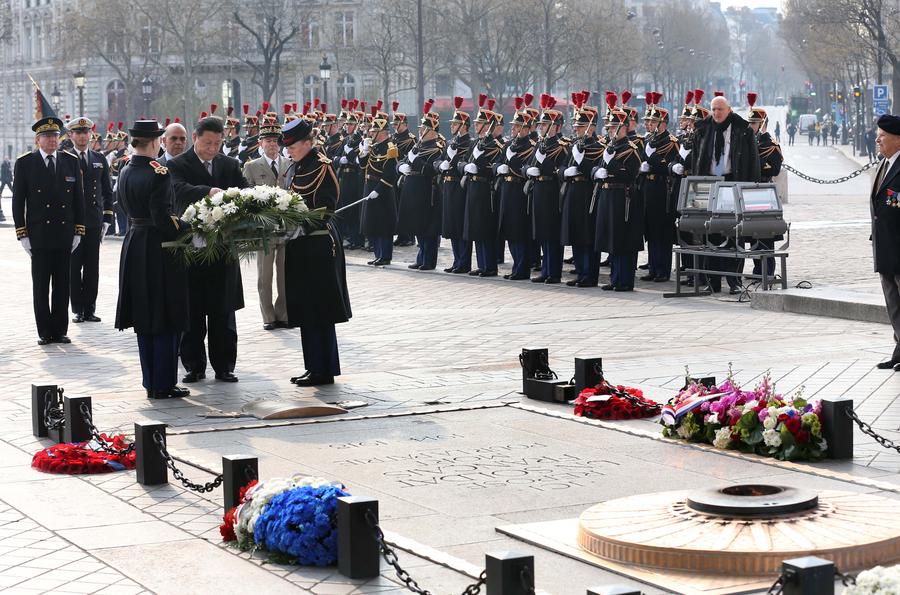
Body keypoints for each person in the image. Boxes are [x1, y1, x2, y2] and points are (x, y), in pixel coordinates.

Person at [114, 120, 192, 399]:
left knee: (145, 316)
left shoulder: (125, 170)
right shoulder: (159, 173)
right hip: (159, 247)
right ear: (154, 142)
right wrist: (189, 226)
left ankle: (151, 381)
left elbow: (122, 206)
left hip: (134, 242)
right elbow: (163, 218)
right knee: (165, 314)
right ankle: (164, 383)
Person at [168, 116, 248, 383]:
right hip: (192, 248)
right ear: (195, 138)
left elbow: (244, 193)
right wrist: (208, 191)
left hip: (223, 248)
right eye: (207, 143)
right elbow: (178, 191)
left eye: (217, 143)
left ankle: (225, 365)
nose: (212, 149)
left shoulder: (230, 165)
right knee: (192, 310)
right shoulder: (177, 164)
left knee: (222, 311)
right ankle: (194, 365)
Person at [281, 118, 352, 387]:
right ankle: (313, 366)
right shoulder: (297, 166)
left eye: (293, 145)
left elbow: (327, 206)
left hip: (319, 244)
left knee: (320, 309)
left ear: (308, 143)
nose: (289, 150)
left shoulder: (321, 166)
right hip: (301, 245)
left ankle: (324, 369)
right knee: (305, 308)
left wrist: (302, 225)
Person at [13, 116, 86, 344]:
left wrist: (78, 230)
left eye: (55, 136)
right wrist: (22, 233)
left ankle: (60, 330)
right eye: (47, 136)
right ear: (38, 140)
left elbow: (78, 199)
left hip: (64, 234)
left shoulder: (70, 161)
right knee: (41, 286)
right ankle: (44, 331)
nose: (52, 140)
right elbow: (18, 201)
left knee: (63, 285)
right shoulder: (25, 163)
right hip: (39, 236)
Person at [693, 94, 760, 294]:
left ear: (729, 110)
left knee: (734, 234)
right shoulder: (703, 130)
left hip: (733, 183)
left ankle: (734, 281)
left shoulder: (743, 130)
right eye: (713, 109)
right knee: (710, 233)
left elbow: (753, 162)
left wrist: (749, 190)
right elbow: (696, 160)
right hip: (710, 184)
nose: (716, 113)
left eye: (720, 109)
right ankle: (712, 281)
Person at [243, 116, 291, 330]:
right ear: (260, 143)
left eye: (275, 140)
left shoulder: (289, 164)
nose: (272, 144)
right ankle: (268, 316)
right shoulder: (252, 166)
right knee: (265, 275)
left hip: (287, 226)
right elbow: (246, 198)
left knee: (285, 273)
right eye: (268, 141)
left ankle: (284, 313)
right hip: (264, 228)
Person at [593, 93, 642, 291]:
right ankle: (615, 279)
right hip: (607, 196)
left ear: (623, 128)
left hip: (623, 198)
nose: (611, 131)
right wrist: (598, 171)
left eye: (614, 127)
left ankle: (624, 280)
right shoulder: (610, 147)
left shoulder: (630, 149)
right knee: (612, 240)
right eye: (609, 128)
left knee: (623, 240)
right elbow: (594, 167)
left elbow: (630, 174)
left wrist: (611, 164)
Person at [67, 117, 115, 324]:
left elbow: (106, 190)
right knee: (74, 267)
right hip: (71, 222)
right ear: (71, 136)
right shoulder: (64, 158)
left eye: (85, 132)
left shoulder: (98, 158)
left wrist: (107, 218)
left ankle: (89, 308)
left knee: (92, 267)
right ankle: (77, 308)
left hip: (94, 220)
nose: (82, 136)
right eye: (78, 133)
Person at [525, 94, 568, 284]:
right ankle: (546, 269)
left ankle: (554, 272)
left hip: (552, 191)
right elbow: (526, 165)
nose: (541, 127)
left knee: (552, 234)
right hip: (539, 190)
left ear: (556, 127)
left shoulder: (562, 145)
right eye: (541, 125)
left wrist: (545, 166)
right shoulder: (540, 144)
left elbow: (561, 169)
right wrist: (529, 170)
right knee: (541, 233)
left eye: (544, 125)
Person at [561, 95, 603, 287]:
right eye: (576, 125)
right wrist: (565, 172)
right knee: (576, 235)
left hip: (587, 193)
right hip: (573, 191)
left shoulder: (597, 146)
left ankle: (590, 274)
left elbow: (594, 170)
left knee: (587, 236)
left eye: (580, 125)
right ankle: (580, 271)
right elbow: (561, 168)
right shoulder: (575, 145)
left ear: (591, 127)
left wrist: (581, 161)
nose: (576, 128)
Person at [398, 101, 444, 271]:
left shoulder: (436, 149)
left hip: (426, 191)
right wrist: (401, 166)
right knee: (417, 226)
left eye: (424, 129)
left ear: (432, 132)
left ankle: (429, 260)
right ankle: (421, 257)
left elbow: (430, 170)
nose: (420, 131)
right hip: (413, 189)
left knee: (428, 229)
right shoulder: (418, 146)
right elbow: (402, 161)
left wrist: (414, 161)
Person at [870, 114, 900, 372]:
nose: (877, 139)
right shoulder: (884, 163)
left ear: (898, 139)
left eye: (883, 135)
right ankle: (899, 350)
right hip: (885, 247)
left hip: (899, 247)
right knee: (893, 304)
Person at [461, 96, 504, 277]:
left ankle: (490, 266)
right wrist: (465, 167)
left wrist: (477, 163)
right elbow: (462, 162)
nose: (476, 126)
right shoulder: (475, 143)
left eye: (480, 123)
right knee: (475, 228)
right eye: (477, 123)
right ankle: (481, 264)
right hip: (472, 187)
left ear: (488, 126)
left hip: (486, 189)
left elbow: (492, 168)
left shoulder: (495, 145)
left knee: (485, 228)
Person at [640, 92, 679, 283]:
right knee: (651, 231)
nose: (650, 125)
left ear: (663, 123)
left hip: (663, 189)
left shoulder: (670, 142)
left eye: (654, 122)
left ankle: (663, 269)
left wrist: (652, 161)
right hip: (648, 187)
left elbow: (669, 165)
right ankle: (653, 267)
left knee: (662, 232)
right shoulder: (649, 140)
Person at [496, 99, 536, 281]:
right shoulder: (509, 145)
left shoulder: (530, 147)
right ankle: (516, 266)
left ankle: (522, 269)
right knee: (510, 233)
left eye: (518, 127)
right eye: (513, 126)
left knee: (520, 233)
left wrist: (510, 161)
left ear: (527, 129)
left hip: (520, 193)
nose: (513, 130)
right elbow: (497, 162)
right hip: (507, 190)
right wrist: (498, 168)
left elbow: (524, 168)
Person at [747, 96, 783, 281]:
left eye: (754, 123)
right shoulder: (747, 143)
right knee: (753, 233)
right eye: (750, 123)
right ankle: (756, 269)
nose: (751, 126)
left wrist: (756, 163)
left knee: (766, 233)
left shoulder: (771, 145)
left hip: (765, 192)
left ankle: (767, 270)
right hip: (750, 192)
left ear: (762, 124)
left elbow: (774, 168)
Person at [436, 97, 473, 273]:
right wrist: (440, 165)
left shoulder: (470, 144)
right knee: (451, 226)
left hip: (460, 187)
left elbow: (464, 165)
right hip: (448, 187)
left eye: (454, 124)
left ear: (463, 126)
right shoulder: (450, 143)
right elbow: (438, 161)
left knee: (460, 226)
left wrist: (452, 158)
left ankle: (464, 262)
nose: (451, 127)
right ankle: (457, 260)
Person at [358, 107, 399, 265]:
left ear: (381, 133)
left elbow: (390, 175)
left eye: (373, 131)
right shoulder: (373, 147)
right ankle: (377, 254)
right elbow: (363, 167)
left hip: (382, 190)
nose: (370, 133)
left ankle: (385, 256)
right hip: (370, 187)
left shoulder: (391, 149)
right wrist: (364, 153)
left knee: (383, 225)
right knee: (372, 224)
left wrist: (378, 190)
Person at [334, 102, 365, 250]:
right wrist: (341, 159)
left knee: (354, 210)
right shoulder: (346, 140)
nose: (347, 127)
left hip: (354, 177)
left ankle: (356, 239)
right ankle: (350, 237)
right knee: (345, 208)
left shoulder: (360, 140)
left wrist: (350, 155)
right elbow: (334, 157)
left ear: (356, 125)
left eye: (350, 124)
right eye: (346, 124)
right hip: (343, 178)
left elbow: (361, 158)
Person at [391, 103, 417, 248]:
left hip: (405, 176)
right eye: (393, 123)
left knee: (406, 206)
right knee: (398, 206)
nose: (394, 126)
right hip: (395, 174)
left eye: (396, 123)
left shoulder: (410, 139)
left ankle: (409, 236)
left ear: (404, 123)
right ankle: (401, 234)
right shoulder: (393, 138)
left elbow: (410, 157)